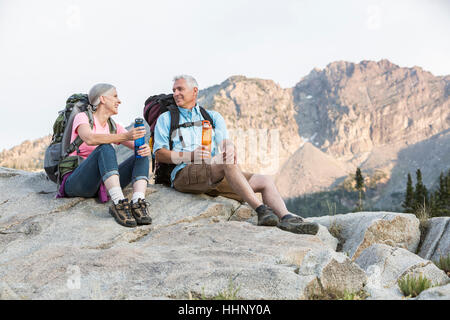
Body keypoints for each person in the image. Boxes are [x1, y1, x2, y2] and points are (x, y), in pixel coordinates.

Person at [153, 75, 319, 235]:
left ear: (194, 91)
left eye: (180, 89)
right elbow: (159, 154)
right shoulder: (166, 118)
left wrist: (230, 148)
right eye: (174, 90)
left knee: (265, 181)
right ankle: (261, 210)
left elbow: (224, 141)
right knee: (224, 160)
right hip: (184, 174)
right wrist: (189, 156)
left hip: (212, 173)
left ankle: (286, 218)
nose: (175, 93)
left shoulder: (211, 116)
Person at [60, 83, 152, 228]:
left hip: (101, 184)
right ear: (102, 99)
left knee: (140, 154)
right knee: (105, 147)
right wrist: (125, 136)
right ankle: (118, 202)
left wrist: (144, 148)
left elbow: (135, 146)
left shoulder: (113, 126)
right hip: (78, 181)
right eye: (115, 96)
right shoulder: (82, 117)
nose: (119, 101)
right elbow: (90, 138)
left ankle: (138, 201)